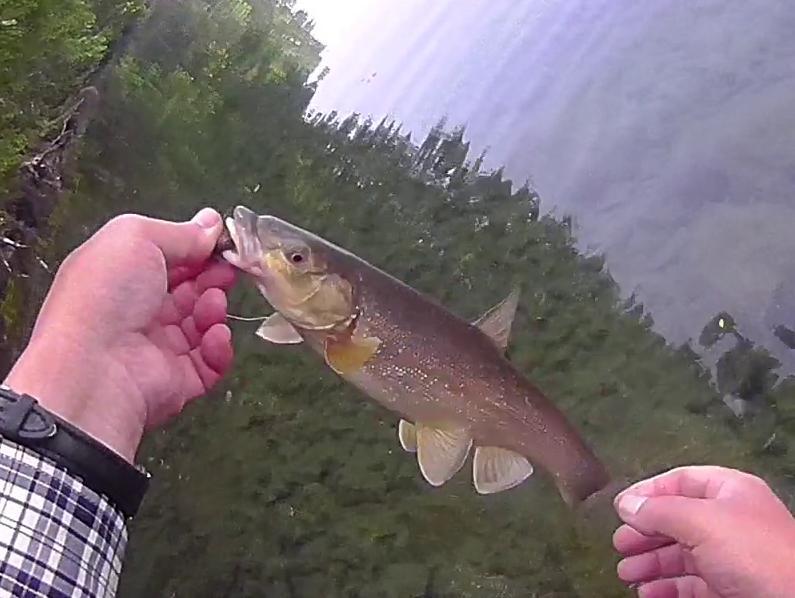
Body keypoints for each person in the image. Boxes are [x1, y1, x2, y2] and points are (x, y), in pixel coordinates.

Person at [1, 210, 794, 598]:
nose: (273, 255)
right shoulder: (315, 321)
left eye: (299, 259)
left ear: (335, 285)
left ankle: (591, 490)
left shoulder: (334, 329)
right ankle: (603, 497)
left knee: (567, 477)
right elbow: (324, 335)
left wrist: (76, 380)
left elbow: (343, 346)